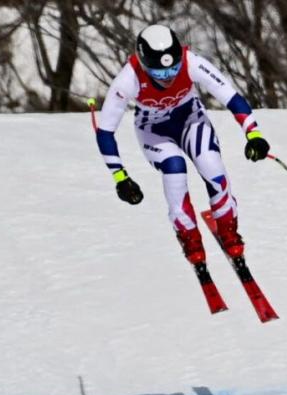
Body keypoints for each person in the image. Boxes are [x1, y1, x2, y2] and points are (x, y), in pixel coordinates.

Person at [95, 24, 270, 266]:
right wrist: (120, 177)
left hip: (190, 120)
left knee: (212, 165)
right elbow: (105, 131)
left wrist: (254, 134)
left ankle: (228, 229)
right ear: (145, 65)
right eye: (159, 73)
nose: (168, 77)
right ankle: (189, 236)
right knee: (174, 169)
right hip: (153, 131)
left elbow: (229, 95)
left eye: (173, 69)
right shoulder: (129, 78)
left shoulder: (190, 61)